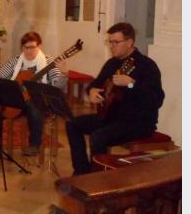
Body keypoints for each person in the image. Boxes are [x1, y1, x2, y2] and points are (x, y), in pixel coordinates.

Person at [66, 22, 165, 175]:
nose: (111, 46)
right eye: (109, 42)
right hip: (111, 117)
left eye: (116, 42)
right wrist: (91, 90)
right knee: (72, 124)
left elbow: (157, 99)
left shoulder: (147, 66)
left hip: (138, 122)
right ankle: (82, 172)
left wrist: (131, 84)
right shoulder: (112, 63)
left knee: (99, 136)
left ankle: (99, 179)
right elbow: (96, 83)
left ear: (130, 42)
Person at [0, 32, 68, 158]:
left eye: (32, 47)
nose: (28, 51)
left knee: (34, 107)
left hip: (39, 102)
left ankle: (34, 145)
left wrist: (64, 73)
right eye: (25, 48)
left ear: (40, 46)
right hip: (17, 102)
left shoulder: (49, 62)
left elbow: (58, 86)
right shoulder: (16, 61)